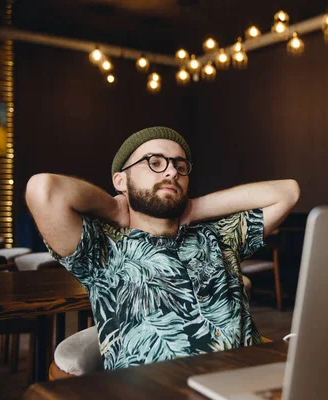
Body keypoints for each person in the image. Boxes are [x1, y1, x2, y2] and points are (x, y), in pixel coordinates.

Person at [25, 126, 300, 370]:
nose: (171, 172)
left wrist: (196, 207)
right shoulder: (103, 246)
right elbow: (43, 190)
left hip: (247, 382)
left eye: (180, 167)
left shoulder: (218, 235)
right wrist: (114, 207)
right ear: (121, 180)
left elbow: (288, 193)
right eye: (154, 162)